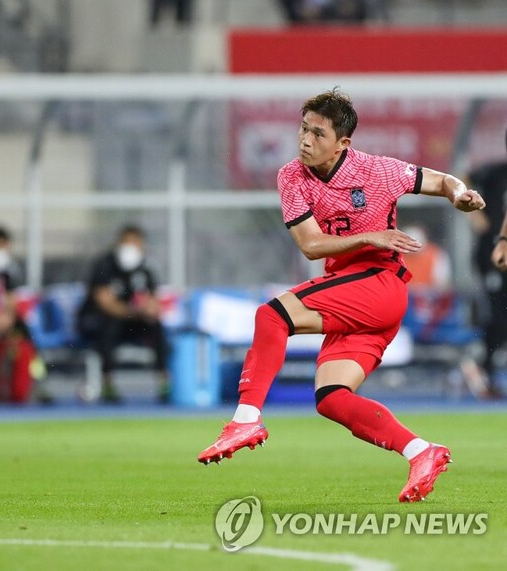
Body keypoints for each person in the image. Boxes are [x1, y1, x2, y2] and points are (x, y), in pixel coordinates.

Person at [197, 89, 485, 503]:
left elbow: (440, 180)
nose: (305, 140)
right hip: (356, 297)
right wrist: (372, 234)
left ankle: (245, 418)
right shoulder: (291, 176)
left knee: (272, 316)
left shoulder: (379, 171)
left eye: (318, 133)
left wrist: (458, 194)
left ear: (343, 143)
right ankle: (421, 452)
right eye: (303, 129)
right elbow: (311, 246)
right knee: (332, 398)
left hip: (378, 283)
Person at [77, 225, 170, 403]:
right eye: (126, 242)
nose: (131, 247)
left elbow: (153, 299)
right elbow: (104, 302)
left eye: (135, 242)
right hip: (103, 320)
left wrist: (149, 309)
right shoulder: (104, 265)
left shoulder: (145, 268)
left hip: (133, 321)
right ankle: (108, 383)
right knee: (109, 325)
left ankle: (164, 380)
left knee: (155, 326)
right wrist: (134, 311)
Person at [0, 225, 50, 404]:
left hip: (4, 322)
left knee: (27, 335)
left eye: (2, 246)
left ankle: (37, 379)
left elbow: (15, 301)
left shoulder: (12, 270)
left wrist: (7, 317)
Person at [467, 130, 507, 399]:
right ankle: (483, 366)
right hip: (491, 254)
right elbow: (463, 177)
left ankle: (482, 363)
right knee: (500, 315)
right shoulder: (497, 172)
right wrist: (476, 216)